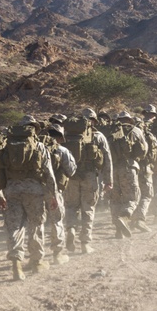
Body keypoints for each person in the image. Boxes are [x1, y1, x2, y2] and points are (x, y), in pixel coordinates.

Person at [0, 115, 58, 279]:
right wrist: (53, 195)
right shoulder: (40, 147)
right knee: (36, 226)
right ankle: (37, 262)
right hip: (34, 191)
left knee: (14, 228)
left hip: (12, 191)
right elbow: (49, 174)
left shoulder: (7, 147)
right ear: (34, 129)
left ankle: (16, 264)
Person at [62, 108, 113, 255]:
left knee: (71, 206)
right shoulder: (98, 136)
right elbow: (107, 159)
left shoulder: (68, 135)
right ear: (94, 121)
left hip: (71, 176)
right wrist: (108, 180)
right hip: (90, 176)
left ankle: (71, 229)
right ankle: (85, 243)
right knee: (88, 209)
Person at [109, 111, 148, 237]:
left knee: (115, 199)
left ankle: (118, 230)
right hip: (129, 167)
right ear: (130, 120)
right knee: (132, 197)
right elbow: (144, 150)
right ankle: (124, 217)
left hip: (112, 169)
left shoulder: (110, 131)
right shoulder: (136, 130)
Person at [42, 123, 76, 265]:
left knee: (37, 223)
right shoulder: (62, 150)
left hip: (37, 191)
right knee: (56, 221)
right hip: (54, 191)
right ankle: (57, 254)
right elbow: (71, 170)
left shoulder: (38, 148)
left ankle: (37, 257)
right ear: (60, 137)